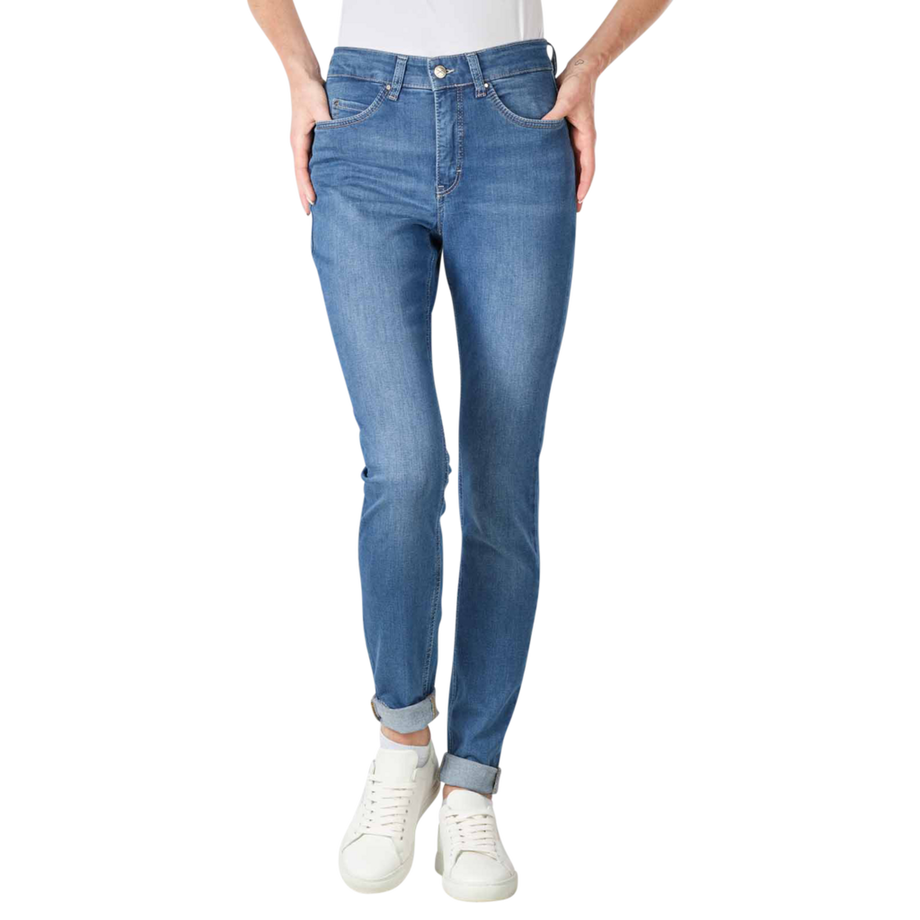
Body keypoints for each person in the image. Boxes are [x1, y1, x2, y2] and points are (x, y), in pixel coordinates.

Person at [245, 0, 674, 903]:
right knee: (404, 466)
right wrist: (296, 71)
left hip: (517, 120)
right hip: (362, 119)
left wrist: (590, 67)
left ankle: (471, 782)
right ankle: (402, 744)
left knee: (501, 481)